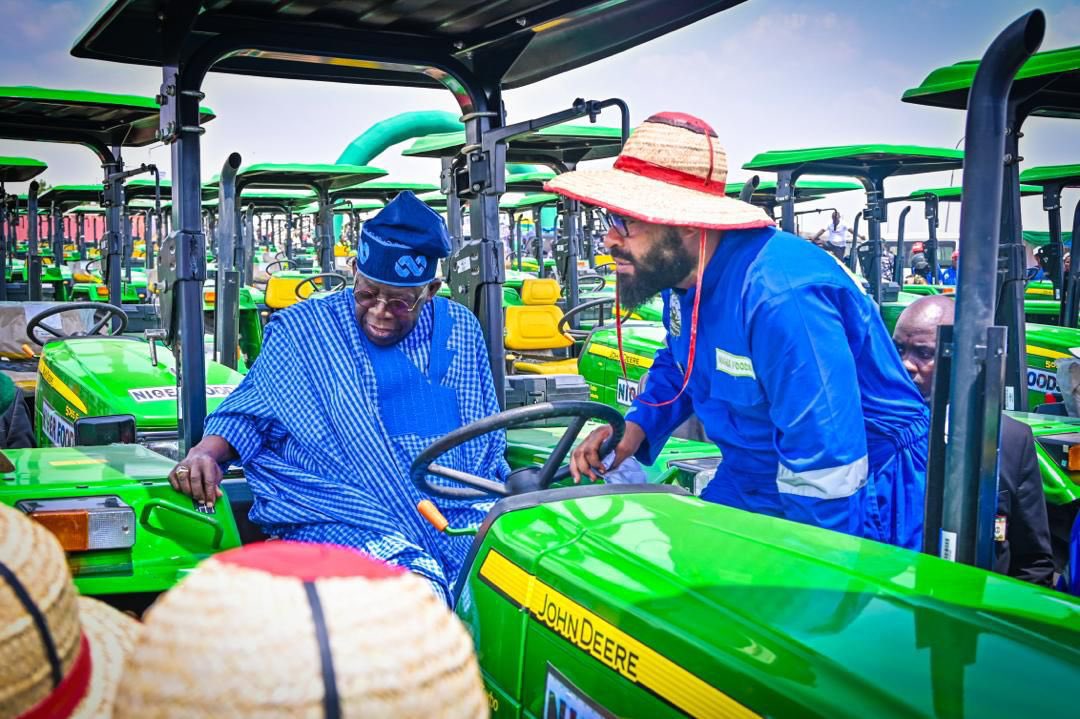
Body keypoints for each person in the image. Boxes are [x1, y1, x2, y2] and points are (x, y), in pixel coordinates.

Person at [548, 112, 929, 549]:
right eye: (606, 221)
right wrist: (633, 430)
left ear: (685, 223)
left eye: (625, 223)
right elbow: (680, 362)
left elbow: (826, 462)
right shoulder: (684, 276)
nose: (609, 240)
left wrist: (821, 569)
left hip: (858, 495)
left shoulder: (782, 298)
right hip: (750, 472)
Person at [169, 191, 508, 603]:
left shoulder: (460, 328)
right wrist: (204, 453)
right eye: (367, 294)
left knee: (508, 576)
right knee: (416, 594)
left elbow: (484, 438)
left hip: (450, 507)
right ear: (354, 273)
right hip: (340, 509)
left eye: (400, 302)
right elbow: (250, 412)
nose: (380, 312)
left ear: (431, 290)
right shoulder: (304, 330)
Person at [892, 295, 1054, 585]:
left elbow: (1033, 561)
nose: (906, 365)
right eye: (898, 349)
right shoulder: (878, 437)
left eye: (924, 353)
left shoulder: (1012, 440)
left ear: (959, 359)